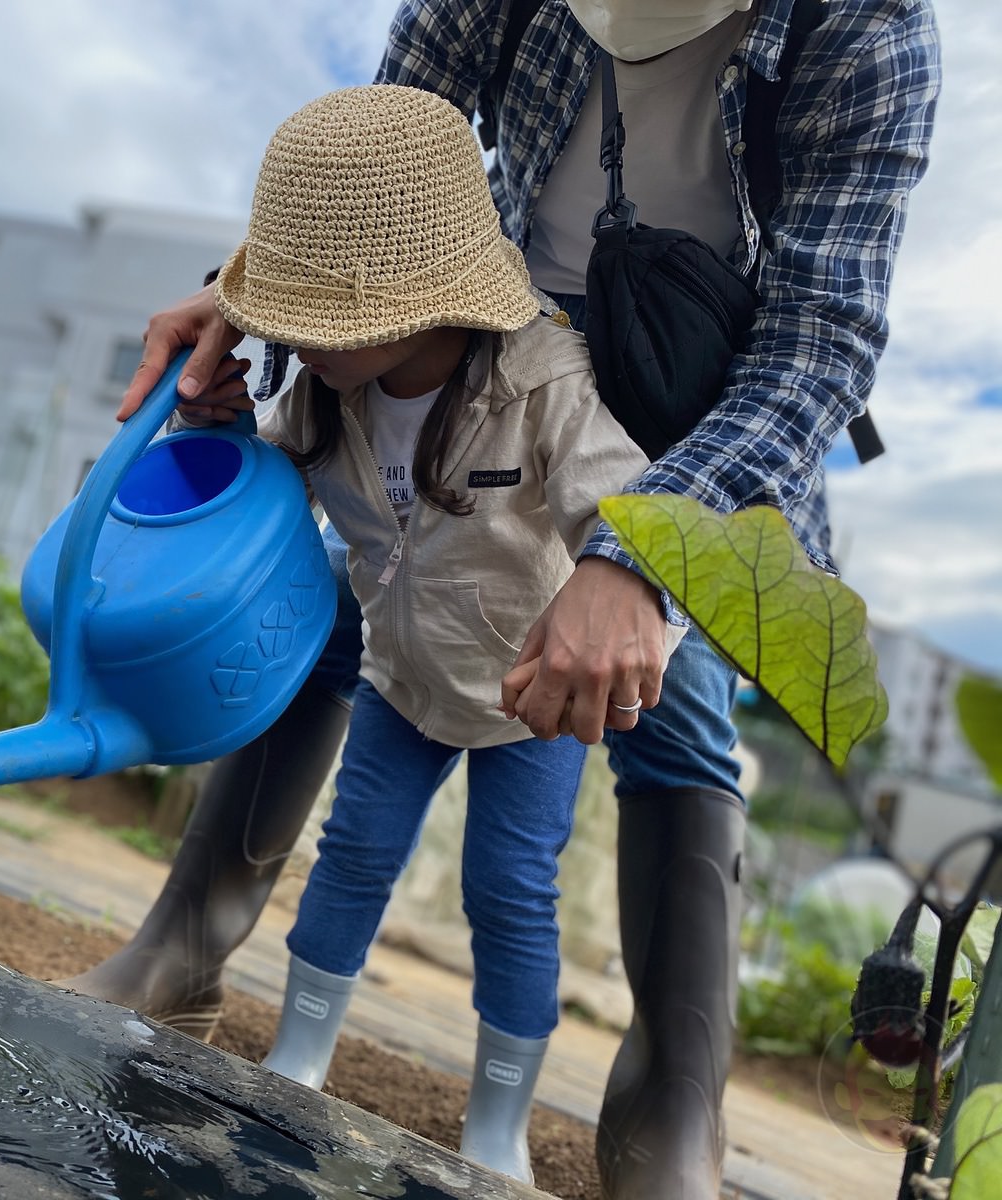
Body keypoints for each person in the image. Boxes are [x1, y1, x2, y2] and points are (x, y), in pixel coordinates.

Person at [59, 2, 940, 1196]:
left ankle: (671, 1114)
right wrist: (257, 294)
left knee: (672, 705)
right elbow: (377, 153)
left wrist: (635, 563)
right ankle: (186, 945)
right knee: (332, 589)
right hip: (461, 322)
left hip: (701, 388)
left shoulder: (865, 29)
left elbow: (820, 341)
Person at [190, 83, 677, 1184]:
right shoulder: (322, 395)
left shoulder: (544, 379)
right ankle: (299, 1053)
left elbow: (633, 515)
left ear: (424, 302)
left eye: (326, 322)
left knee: (507, 892)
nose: (298, 341)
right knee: (354, 852)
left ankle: (497, 1123)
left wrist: (617, 590)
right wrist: (206, 429)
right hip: (402, 679)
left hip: (527, 700)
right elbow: (266, 499)